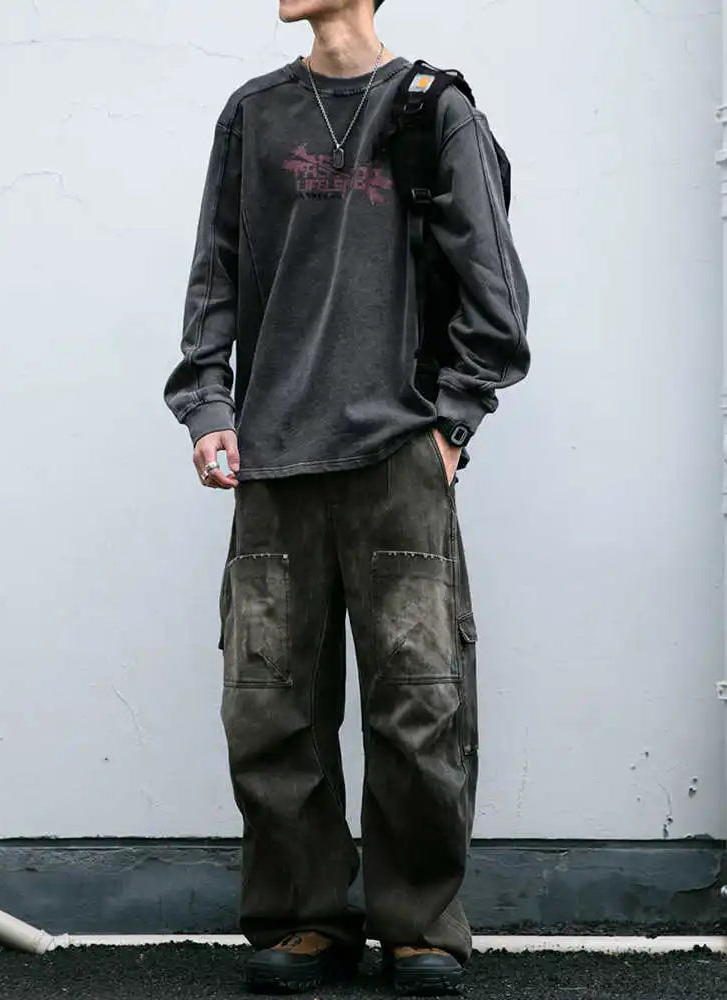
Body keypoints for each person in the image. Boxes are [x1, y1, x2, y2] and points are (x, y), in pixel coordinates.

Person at [164, 0, 530, 994]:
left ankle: (419, 923)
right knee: (270, 707)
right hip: (274, 461)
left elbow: (495, 288)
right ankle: (304, 917)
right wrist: (208, 406)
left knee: (419, 704)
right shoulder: (254, 114)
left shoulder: (434, 109)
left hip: (395, 458)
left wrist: (451, 426)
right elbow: (215, 276)